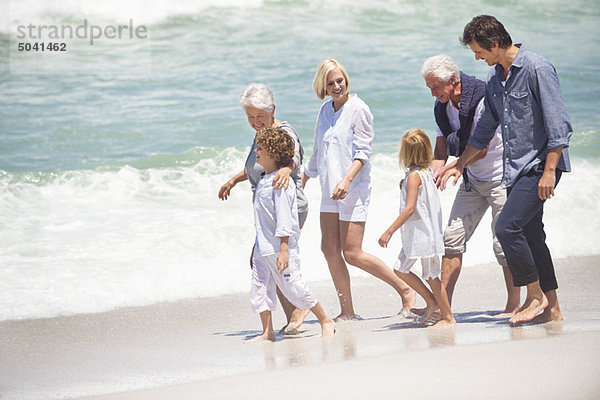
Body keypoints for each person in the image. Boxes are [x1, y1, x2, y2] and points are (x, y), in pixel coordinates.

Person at [441, 15, 572, 324]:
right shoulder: (496, 80)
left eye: (479, 51)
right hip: (514, 168)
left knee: (506, 228)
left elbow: (559, 125)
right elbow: (483, 131)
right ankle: (553, 309)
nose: (476, 57)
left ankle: (534, 296)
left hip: (540, 166)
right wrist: (459, 164)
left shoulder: (537, 69)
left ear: (496, 44)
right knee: (532, 235)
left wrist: (550, 171)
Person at [301, 58, 415, 321]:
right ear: (323, 86)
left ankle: (405, 288)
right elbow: (319, 152)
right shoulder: (324, 111)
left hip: (354, 188)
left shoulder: (359, 108)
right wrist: (305, 177)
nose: (337, 86)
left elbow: (363, 152)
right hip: (330, 188)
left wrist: (347, 180)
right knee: (328, 249)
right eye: (330, 83)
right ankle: (348, 311)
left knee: (352, 253)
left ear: (346, 80)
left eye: (340, 80)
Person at [421, 54, 520, 316]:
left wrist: (457, 166)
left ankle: (513, 305)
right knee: (451, 240)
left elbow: (482, 148)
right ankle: (443, 306)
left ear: (453, 80)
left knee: (503, 243)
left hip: (499, 176)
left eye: (436, 87)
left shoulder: (481, 99)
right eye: (429, 88)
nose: (433, 93)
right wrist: (425, 178)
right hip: (471, 179)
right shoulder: (442, 106)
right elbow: (441, 150)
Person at [218, 83, 309, 332]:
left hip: (285, 207)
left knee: (274, 259)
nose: (256, 122)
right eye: (250, 117)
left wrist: (287, 169)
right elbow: (259, 166)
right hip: (268, 209)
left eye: (260, 116)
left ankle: (302, 308)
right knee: (268, 261)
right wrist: (233, 180)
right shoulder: (262, 134)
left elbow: (293, 159)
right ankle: (295, 315)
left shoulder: (284, 131)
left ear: (273, 110)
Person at [246, 127, 335, 342]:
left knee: (294, 288)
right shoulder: (263, 180)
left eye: (261, 148)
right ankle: (267, 332)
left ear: (274, 154)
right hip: (263, 249)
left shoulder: (281, 182)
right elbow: (262, 220)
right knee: (259, 289)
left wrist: (284, 249)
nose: (256, 151)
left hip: (280, 249)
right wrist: (257, 247)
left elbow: (285, 218)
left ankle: (325, 320)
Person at [378, 128, 455, 327]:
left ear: (406, 153)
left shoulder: (414, 176)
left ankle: (448, 317)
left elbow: (410, 208)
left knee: (431, 275)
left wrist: (389, 231)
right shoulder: (425, 172)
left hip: (423, 235)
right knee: (400, 269)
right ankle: (431, 302)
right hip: (419, 234)